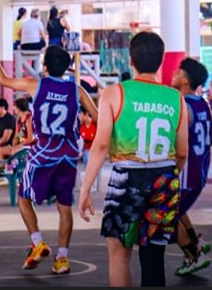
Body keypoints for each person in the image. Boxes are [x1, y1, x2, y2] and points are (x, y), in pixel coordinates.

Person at [79, 31, 188, 287]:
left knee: (119, 255)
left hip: (126, 178)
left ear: (131, 60)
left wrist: (86, 187)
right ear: (161, 62)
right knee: (154, 257)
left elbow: (101, 145)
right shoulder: (176, 98)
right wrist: (167, 175)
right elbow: (182, 152)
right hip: (164, 178)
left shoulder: (113, 93)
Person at [0, 36, 98, 275]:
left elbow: (3, 79)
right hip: (68, 157)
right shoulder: (76, 90)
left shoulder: (36, 85)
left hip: (43, 155)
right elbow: (98, 117)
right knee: (64, 207)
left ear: (45, 67)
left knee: (24, 198)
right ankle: (63, 259)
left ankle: (37, 243)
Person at [171, 58, 212, 277]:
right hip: (200, 172)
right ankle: (195, 240)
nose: (174, 74)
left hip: (185, 174)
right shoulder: (202, 104)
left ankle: (194, 255)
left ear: (185, 80)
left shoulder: (182, 106)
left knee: (168, 216)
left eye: (178, 72)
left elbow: (177, 144)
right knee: (178, 210)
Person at [0, 97, 34, 162]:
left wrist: (19, 146)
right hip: (22, 145)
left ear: (19, 108)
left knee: (14, 152)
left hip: (30, 146)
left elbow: (30, 139)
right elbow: (17, 136)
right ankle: (2, 170)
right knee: (0, 151)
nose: (13, 108)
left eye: (15, 106)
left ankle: (16, 169)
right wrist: (14, 145)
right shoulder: (19, 119)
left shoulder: (28, 118)